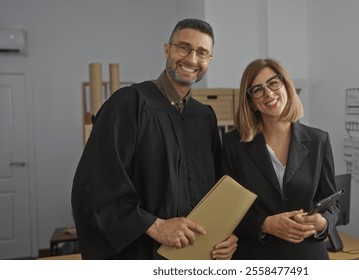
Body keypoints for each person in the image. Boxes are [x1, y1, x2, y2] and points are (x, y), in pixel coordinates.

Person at [71, 18, 237, 260]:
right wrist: (155, 226)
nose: (191, 59)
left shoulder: (204, 117)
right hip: (142, 254)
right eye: (183, 47)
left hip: (195, 253)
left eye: (202, 53)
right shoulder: (129, 103)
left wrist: (225, 233)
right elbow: (97, 183)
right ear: (167, 49)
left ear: (208, 61)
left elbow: (217, 190)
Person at [221, 58, 339, 259]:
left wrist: (323, 222)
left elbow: (332, 204)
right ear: (251, 102)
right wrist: (265, 224)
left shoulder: (319, 140)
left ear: (286, 86)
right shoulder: (232, 144)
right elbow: (226, 209)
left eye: (273, 83)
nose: (268, 93)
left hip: (308, 257)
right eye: (257, 89)